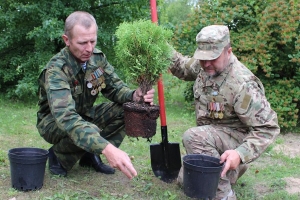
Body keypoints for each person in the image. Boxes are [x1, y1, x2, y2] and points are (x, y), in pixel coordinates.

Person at [36, 11, 155, 179]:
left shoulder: (97, 59)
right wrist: (107, 148)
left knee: (128, 109)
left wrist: (135, 95)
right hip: (53, 123)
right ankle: (59, 157)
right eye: (83, 43)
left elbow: (115, 88)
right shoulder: (56, 70)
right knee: (88, 128)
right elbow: (67, 118)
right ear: (66, 40)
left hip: (84, 116)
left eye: (93, 41)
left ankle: (89, 155)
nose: (89, 48)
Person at [169, 25, 280, 199]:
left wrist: (240, 154)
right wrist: (159, 44)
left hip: (235, 142)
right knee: (186, 181)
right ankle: (224, 171)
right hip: (212, 139)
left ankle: (223, 194)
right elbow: (181, 66)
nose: (206, 64)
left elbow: (268, 127)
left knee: (193, 137)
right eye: (202, 58)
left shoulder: (242, 84)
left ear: (228, 52)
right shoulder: (203, 65)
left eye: (212, 58)